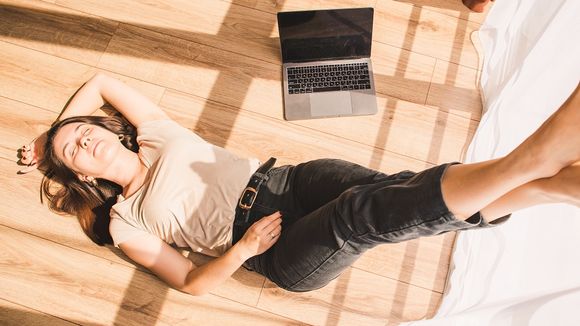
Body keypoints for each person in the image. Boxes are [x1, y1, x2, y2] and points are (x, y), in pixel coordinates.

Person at [19, 73, 580, 295]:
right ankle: (529, 162)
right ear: (84, 175)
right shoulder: (124, 221)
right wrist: (242, 249)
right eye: (74, 151)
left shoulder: (155, 135)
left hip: (287, 181)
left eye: (85, 133)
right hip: (272, 248)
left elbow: (102, 81)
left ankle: (548, 188)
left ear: (105, 131)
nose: (84, 142)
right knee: (360, 216)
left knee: (394, 193)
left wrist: (50, 141)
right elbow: (189, 281)